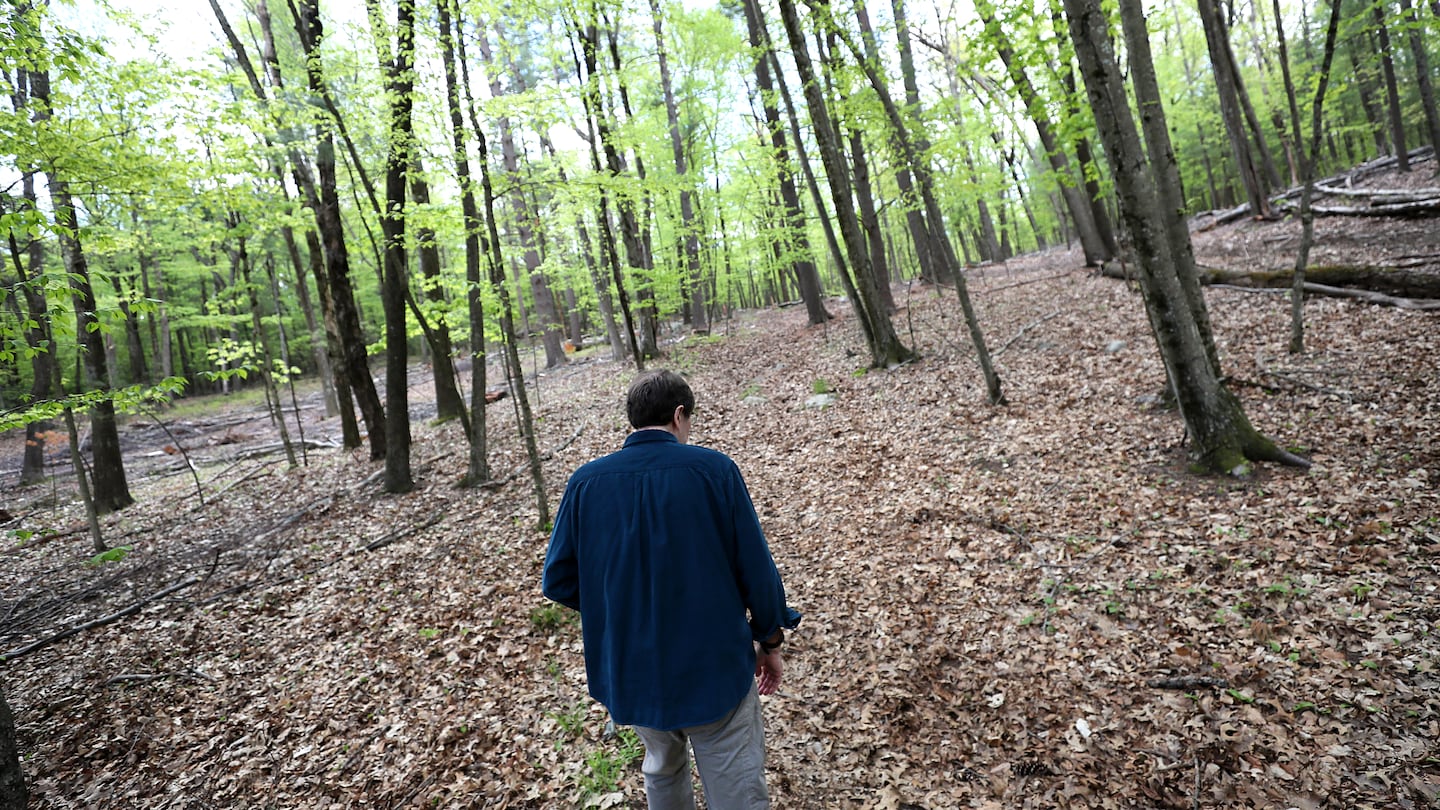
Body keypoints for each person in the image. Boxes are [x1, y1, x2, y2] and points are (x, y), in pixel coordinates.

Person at [542, 369, 801, 809]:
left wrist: (620, 610)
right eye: (689, 421)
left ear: (634, 420)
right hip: (714, 664)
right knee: (735, 779)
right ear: (679, 415)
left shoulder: (585, 482)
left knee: (662, 767)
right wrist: (770, 639)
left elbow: (559, 579)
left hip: (632, 669)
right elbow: (756, 568)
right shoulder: (714, 470)